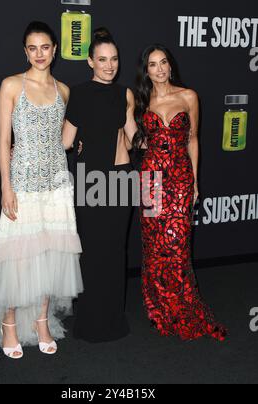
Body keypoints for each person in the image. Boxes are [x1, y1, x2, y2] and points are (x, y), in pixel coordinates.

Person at [0, 21, 83, 359]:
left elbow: (66, 141)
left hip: (56, 182)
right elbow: (3, 141)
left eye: (45, 47)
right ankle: (9, 323)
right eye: (32, 48)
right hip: (22, 182)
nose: (39, 54)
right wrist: (5, 187)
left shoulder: (65, 90)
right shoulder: (11, 85)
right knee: (18, 256)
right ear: (25, 51)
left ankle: (42, 321)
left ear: (55, 49)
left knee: (50, 254)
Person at [133, 44, 227, 341]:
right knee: (153, 246)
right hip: (150, 180)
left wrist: (195, 182)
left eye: (163, 63)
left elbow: (194, 140)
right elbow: (131, 139)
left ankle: (182, 305)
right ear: (145, 70)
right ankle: (158, 306)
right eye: (152, 64)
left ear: (170, 66)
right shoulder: (140, 101)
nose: (159, 69)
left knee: (177, 244)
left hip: (180, 179)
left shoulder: (188, 96)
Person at [62, 28, 137, 343]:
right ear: (90, 61)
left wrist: (164, 139)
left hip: (120, 179)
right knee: (91, 251)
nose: (109, 65)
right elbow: (65, 141)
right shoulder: (78, 93)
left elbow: (134, 138)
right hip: (90, 180)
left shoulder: (126, 94)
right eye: (102, 59)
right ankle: (91, 322)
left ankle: (113, 320)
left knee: (115, 250)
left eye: (114, 59)